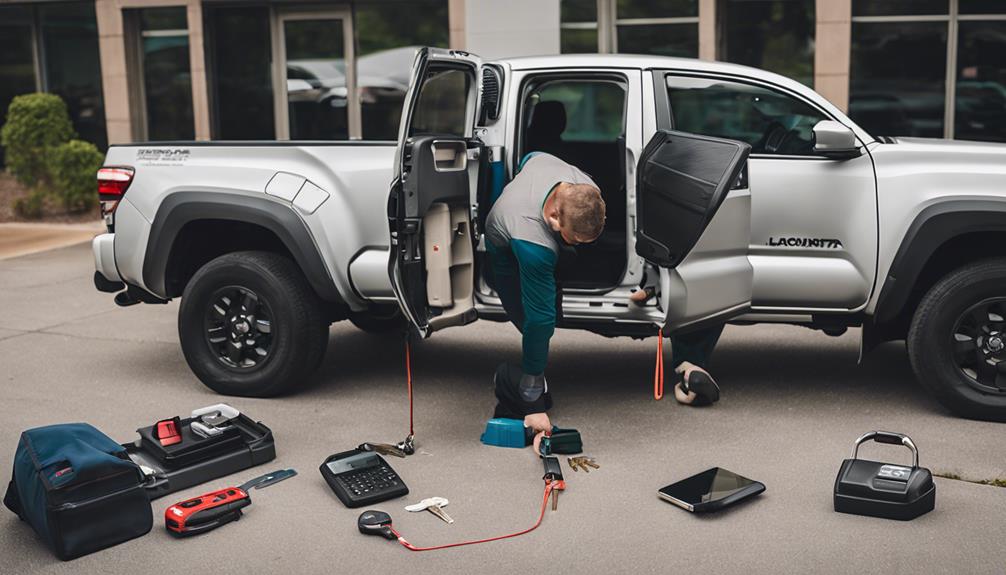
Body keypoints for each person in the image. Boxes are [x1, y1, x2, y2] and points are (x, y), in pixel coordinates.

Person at [484, 152, 604, 450]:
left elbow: (531, 157)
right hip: (505, 248)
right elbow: (539, 320)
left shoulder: (584, 187)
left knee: (557, 270)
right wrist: (532, 387)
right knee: (531, 319)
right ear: (553, 218)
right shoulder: (532, 242)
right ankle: (514, 383)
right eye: (575, 238)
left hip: (539, 227)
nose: (579, 244)